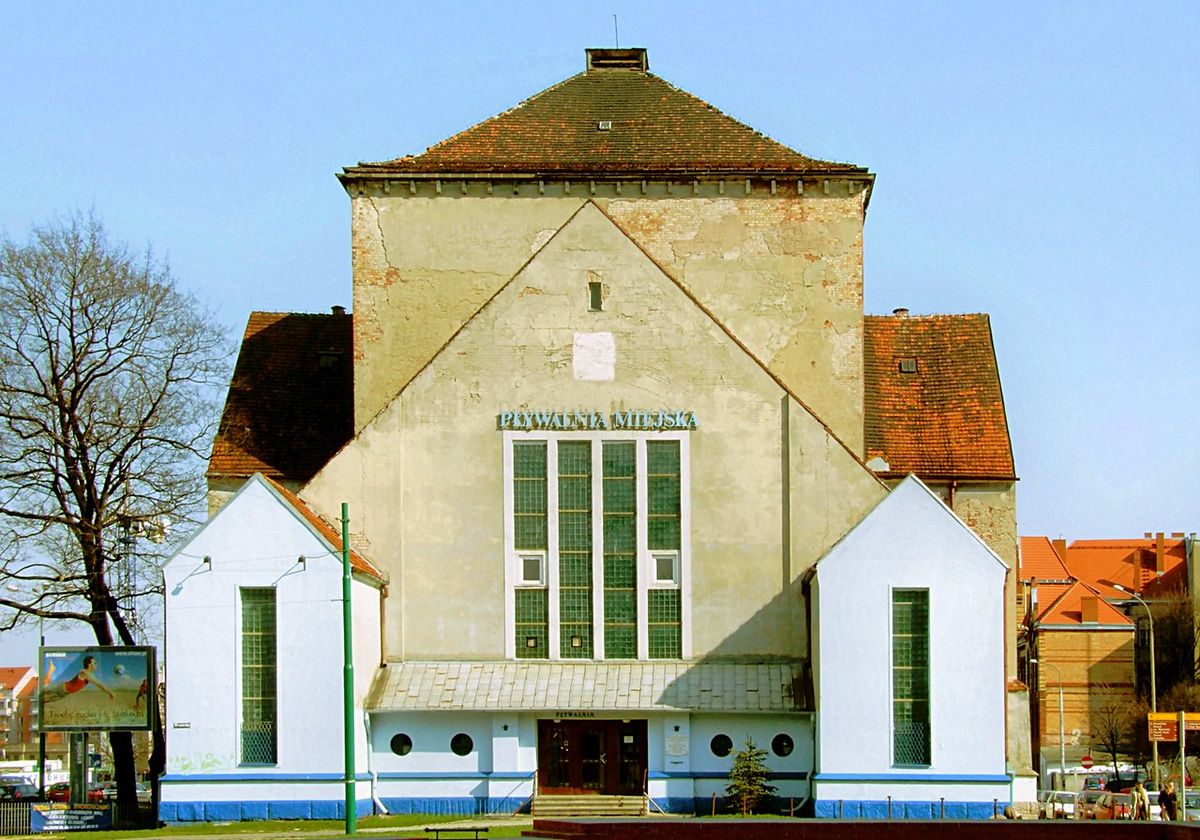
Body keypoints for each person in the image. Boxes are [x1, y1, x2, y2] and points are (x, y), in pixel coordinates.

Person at [41, 655, 115, 704]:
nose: (96, 664)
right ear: (89, 665)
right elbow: (99, 684)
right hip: (60, 687)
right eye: (94, 663)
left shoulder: (90, 675)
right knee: (42, 690)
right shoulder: (84, 673)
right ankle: (52, 669)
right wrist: (110, 692)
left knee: (43, 701)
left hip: (65, 693)